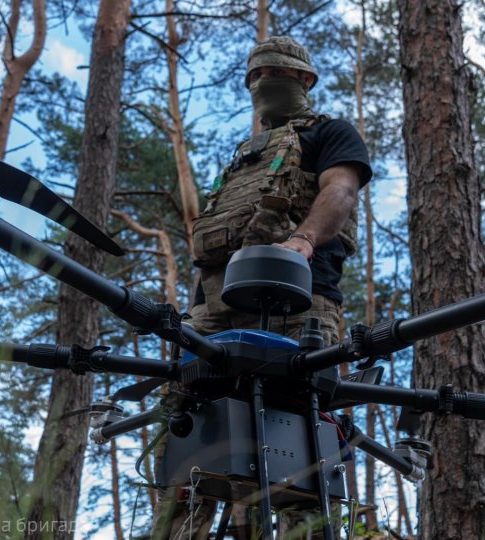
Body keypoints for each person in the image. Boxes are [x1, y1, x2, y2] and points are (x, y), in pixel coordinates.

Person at [150, 36, 373, 539]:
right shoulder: (242, 159)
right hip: (215, 312)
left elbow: (340, 190)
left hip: (300, 299)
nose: (262, 85)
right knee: (190, 432)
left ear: (305, 80)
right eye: (255, 77)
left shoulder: (330, 133)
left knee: (300, 440)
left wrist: (303, 239)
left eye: (276, 75)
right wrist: (194, 312)